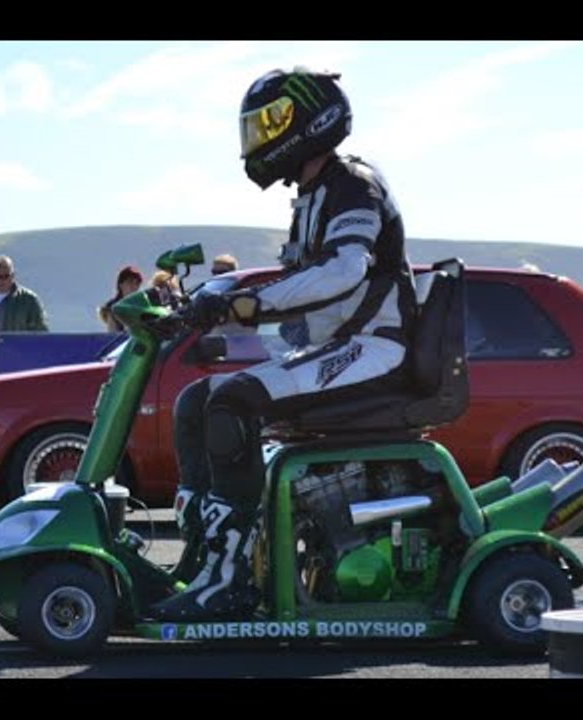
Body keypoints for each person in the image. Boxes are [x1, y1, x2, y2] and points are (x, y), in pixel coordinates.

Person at [150, 67, 416, 621]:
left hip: (373, 347)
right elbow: (294, 282)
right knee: (196, 401)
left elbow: (344, 271)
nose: (262, 137)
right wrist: (212, 300)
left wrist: (254, 305)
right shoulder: (313, 194)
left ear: (309, 119)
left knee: (232, 401)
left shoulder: (352, 184)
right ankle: (206, 562)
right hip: (340, 346)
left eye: (272, 122)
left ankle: (231, 583)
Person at [98, 265, 144, 332]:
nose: (133, 286)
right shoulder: (112, 308)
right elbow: (112, 334)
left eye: (137, 283)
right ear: (120, 285)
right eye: (130, 282)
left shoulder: (143, 307)